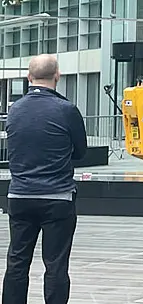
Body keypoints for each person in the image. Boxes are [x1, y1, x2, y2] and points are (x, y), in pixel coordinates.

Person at [2, 55, 87, 304]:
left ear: (29, 77)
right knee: (56, 265)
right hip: (57, 197)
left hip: (20, 195)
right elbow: (81, 152)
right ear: (57, 76)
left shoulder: (14, 109)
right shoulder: (67, 110)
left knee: (17, 261)